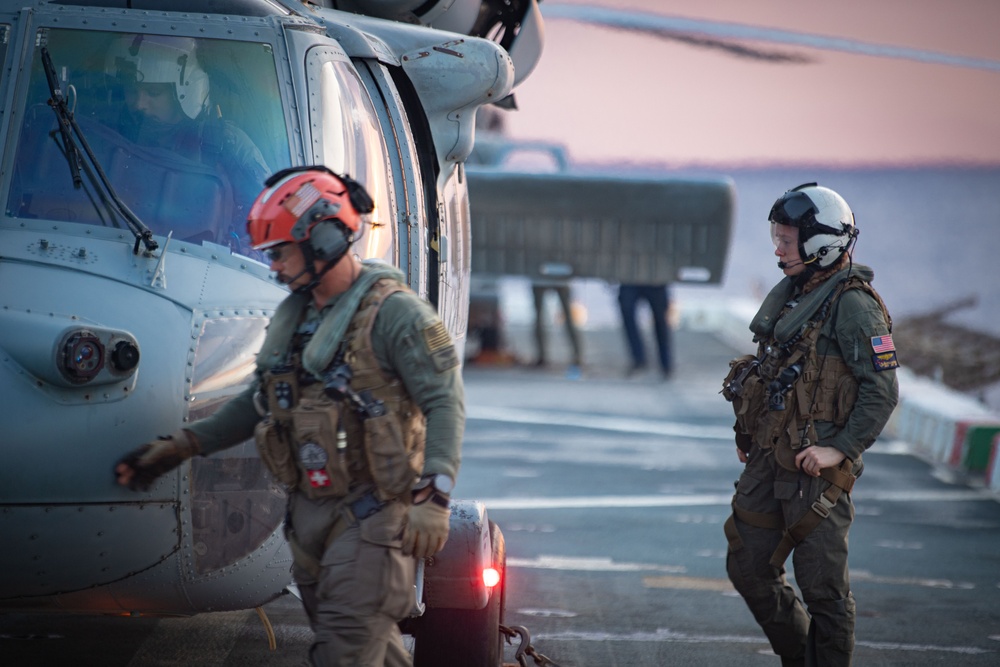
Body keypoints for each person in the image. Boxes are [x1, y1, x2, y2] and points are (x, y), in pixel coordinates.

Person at [114, 167, 464, 667]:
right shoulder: (299, 316)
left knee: (344, 653)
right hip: (310, 517)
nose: (273, 266)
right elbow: (261, 400)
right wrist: (183, 446)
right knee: (372, 652)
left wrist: (435, 497)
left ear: (321, 239)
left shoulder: (397, 315)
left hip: (373, 519)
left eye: (279, 252)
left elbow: (445, 401)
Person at [720, 183, 898, 667]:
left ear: (820, 242)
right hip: (770, 457)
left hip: (814, 469)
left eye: (786, 238)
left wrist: (839, 449)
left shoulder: (854, 305)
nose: (777, 247)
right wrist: (749, 433)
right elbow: (772, 371)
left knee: (824, 590)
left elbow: (882, 391)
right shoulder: (800, 295)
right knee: (748, 565)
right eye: (776, 236)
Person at [105, 34, 270, 250]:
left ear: (186, 91)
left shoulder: (226, 143)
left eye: (153, 93)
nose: (139, 103)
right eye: (131, 90)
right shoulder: (116, 135)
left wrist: (233, 250)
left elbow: (269, 213)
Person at [617, 283, 672, 378]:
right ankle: (639, 359)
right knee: (627, 309)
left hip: (655, 279)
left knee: (661, 320)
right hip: (631, 279)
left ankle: (665, 363)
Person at [530, 277, 583, 375]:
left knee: (565, 315)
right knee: (542, 316)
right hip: (556, 274)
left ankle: (577, 355)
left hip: (550, 273)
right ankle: (577, 355)